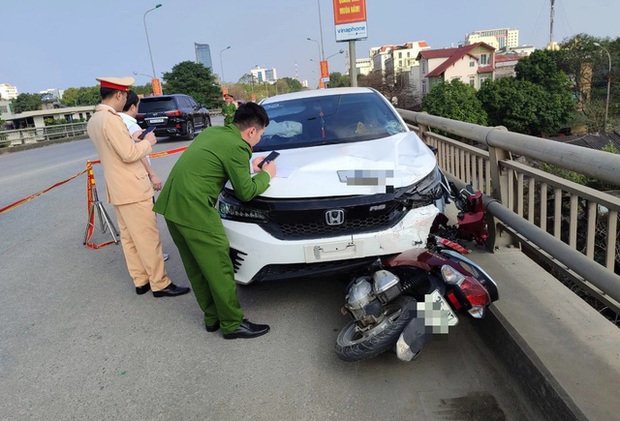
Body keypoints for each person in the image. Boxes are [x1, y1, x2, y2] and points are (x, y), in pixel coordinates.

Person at [153, 102, 276, 339]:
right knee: (219, 266)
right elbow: (246, 192)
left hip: (172, 207)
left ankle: (212, 318)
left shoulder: (214, 132)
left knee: (197, 267)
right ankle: (231, 324)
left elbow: (215, 164)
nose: (259, 139)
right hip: (195, 210)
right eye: (260, 134)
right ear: (252, 131)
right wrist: (266, 175)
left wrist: (247, 167)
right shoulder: (237, 147)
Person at [87, 76, 190, 298]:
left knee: (130, 239)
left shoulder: (95, 120)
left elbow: (116, 149)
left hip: (118, 189)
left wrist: (133, 138)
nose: (124, 99)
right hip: (133, 188)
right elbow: (129, 154)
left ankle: (141, 280)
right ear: (118, 95)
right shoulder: (112, 120)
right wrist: (147, 142)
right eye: (124, 95)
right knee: (148, 239)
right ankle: (160, 283)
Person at [119, 90, 169, 262]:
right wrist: (153, 175)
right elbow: (137, 154)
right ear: (133, 106)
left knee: (130, 229)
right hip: (138, 180)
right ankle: (154, 261)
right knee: (148, 225)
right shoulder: (131, 126)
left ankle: (141, 264)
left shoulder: (115, 123)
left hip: (122, 184)